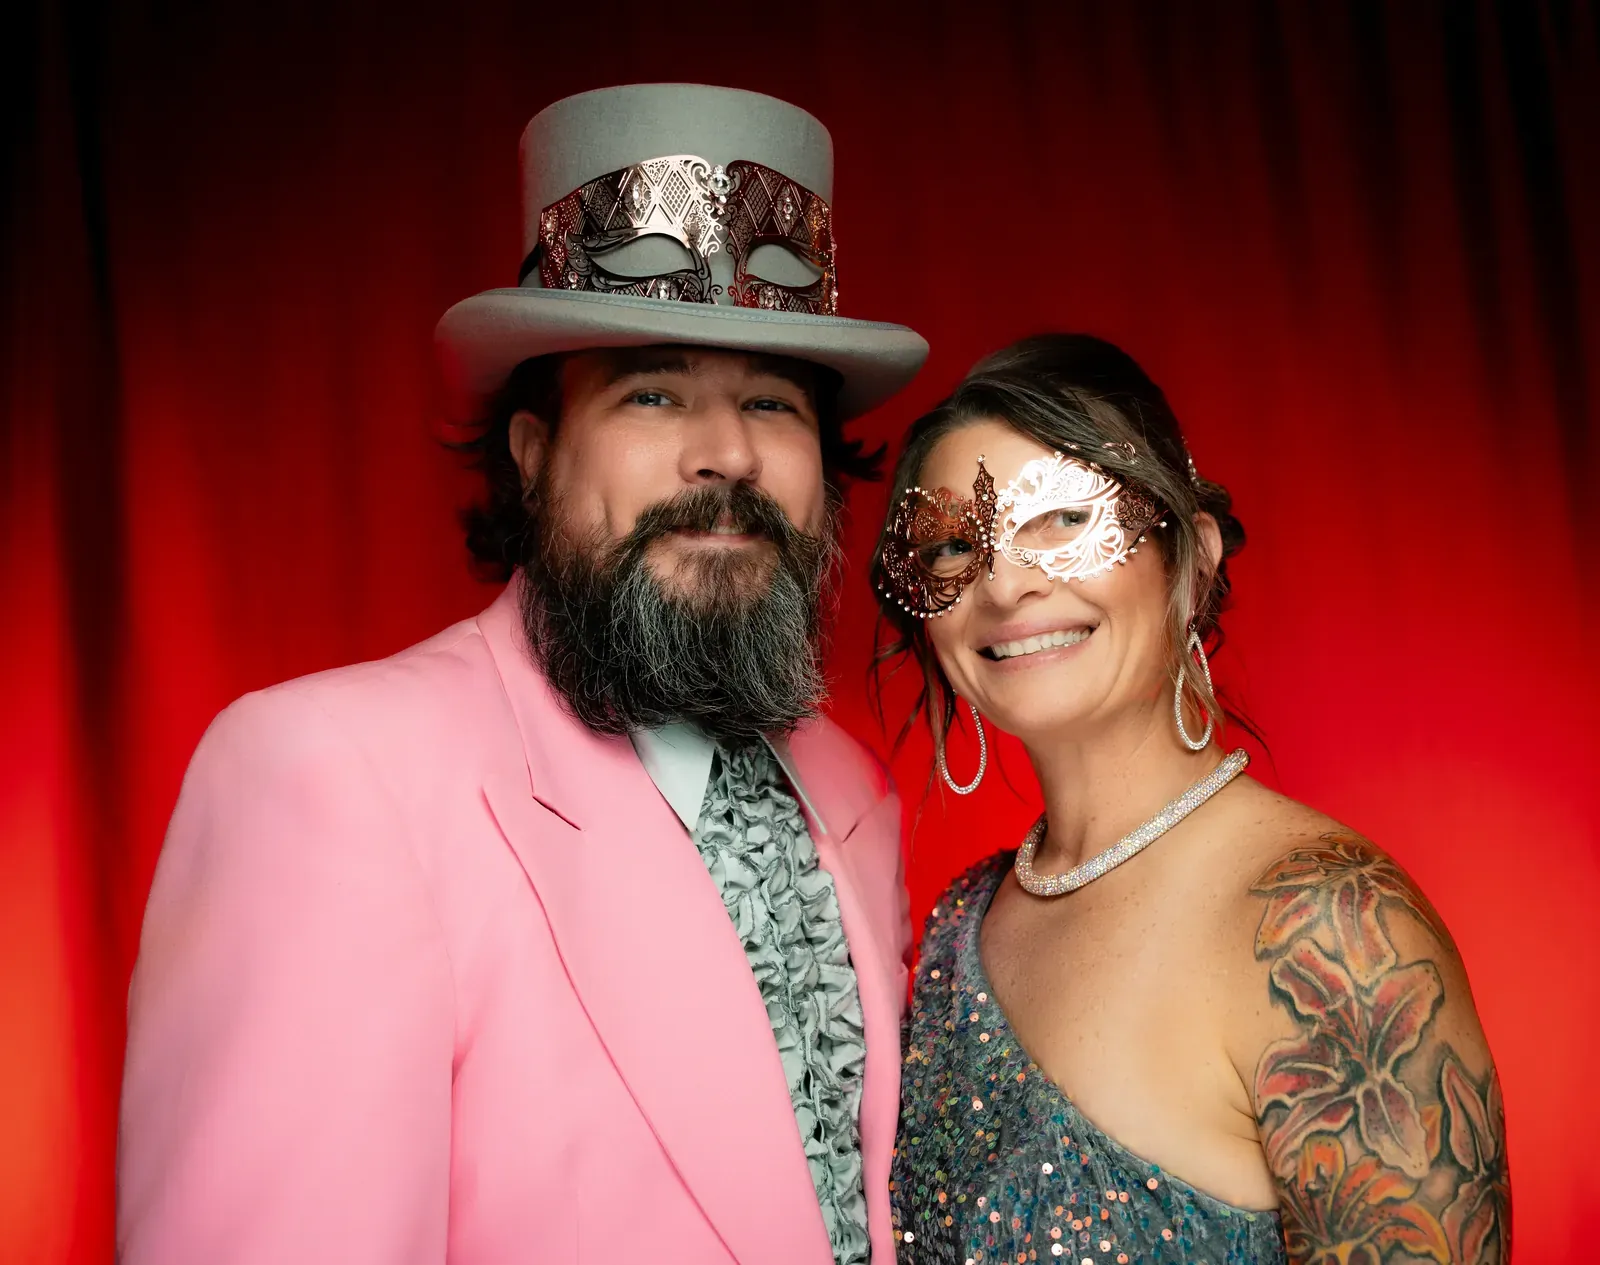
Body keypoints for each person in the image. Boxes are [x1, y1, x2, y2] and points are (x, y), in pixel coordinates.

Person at [117, 84, 928, 1265]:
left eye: (770, 399)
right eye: (653, 392)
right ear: (535, 451)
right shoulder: (330, 777)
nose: (728, 452)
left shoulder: (852, 788)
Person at [874, 335, 1509, 1264]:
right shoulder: (957, 926)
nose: (1007, 583)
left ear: (1193, 556)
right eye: (952, 546)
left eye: (1060, 518)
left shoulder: (1331, 928)